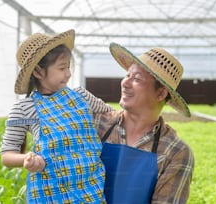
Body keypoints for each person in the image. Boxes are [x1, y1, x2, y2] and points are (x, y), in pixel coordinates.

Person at [0, 29, 111, 203]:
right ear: (37, 72)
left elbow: (111, 115)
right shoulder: (24, 108)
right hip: (50, 191)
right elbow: (7, 155)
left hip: (90, 188)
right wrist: (27, 160)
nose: (68, 73)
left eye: (68, 67)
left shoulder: (82, 96)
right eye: (62, 68)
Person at [76, 43, 195, 203]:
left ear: (160, 93)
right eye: (127, 75)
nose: (125, 83)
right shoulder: (94, 123)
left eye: (137, 78)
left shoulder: (175, 152)